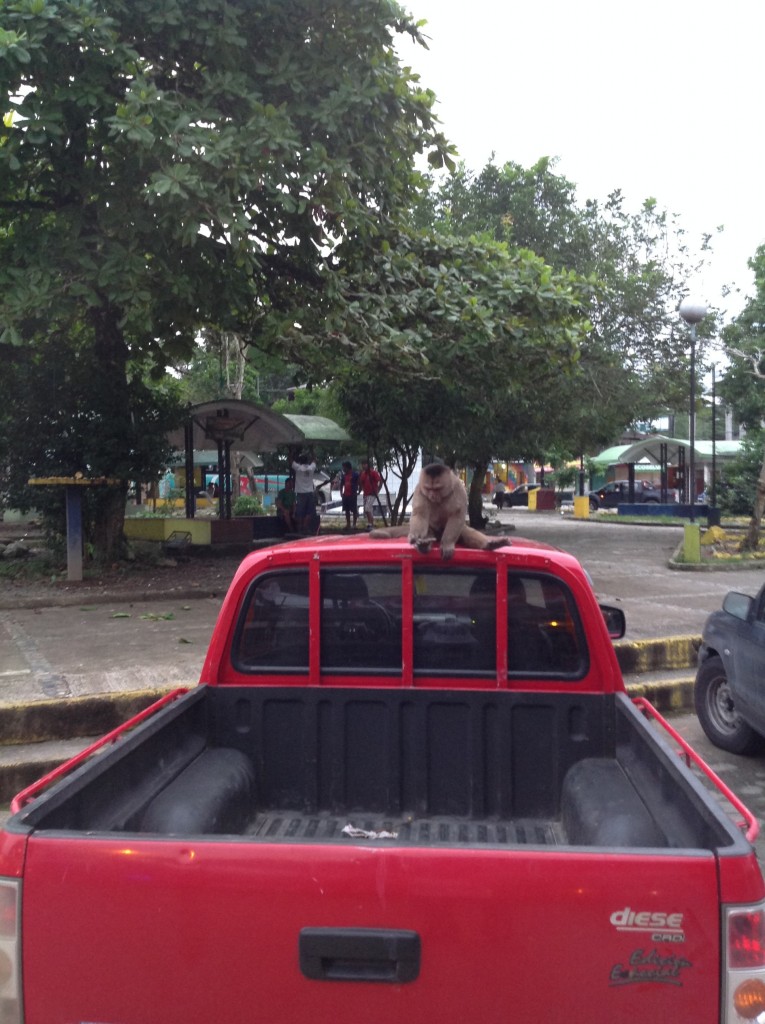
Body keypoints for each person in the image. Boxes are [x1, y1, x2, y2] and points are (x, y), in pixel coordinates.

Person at [291, 451, 318, 534]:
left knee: (299, 512)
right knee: (309, 511)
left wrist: (291, 450)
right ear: (307, 461)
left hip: (300, 493)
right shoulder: (311, 468)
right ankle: (305, 526)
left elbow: (290, 460)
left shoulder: (298, 468)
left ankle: (300, 528)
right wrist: (312, 450)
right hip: (309, 492)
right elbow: (314, 460)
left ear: (300, 461)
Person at [358, 458, 382, 530]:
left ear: (368, 465)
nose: (363, 466)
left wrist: (377, 490)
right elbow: (361, 483)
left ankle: (371, 524)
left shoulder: (373, 472)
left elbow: (380, 481)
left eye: (365, 464)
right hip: (366, 494)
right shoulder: (363, 474)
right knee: (368, 510)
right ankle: (370, 524)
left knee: (367, 508)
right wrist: (361, 490)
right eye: (362, 464)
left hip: (372, 493)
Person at [338, 461, 360, 531]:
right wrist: (341, 492)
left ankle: (354, 524)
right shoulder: (344, 476)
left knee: (354, 510)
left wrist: (359, 491)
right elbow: (341, 484)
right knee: (346, 510)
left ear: (348, 468)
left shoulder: (355, 475)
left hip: (352, 494)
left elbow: (359, 482)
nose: (343, 469)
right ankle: (348, 524)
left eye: (344, 468)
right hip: (346, 495)